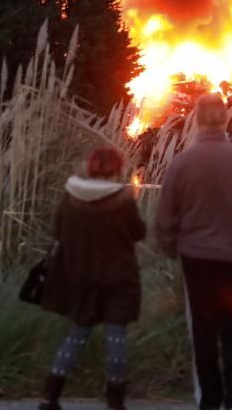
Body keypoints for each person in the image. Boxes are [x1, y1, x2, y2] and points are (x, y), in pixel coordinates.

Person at [155, 93, 232, 410]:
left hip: (196, 263)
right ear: (226, 119)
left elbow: (165, 218)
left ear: (195, 120)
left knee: (203, 332)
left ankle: (209, 401)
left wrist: (172, 247)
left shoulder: (181, 164)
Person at [39, 145, 146, 410]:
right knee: (116, 336)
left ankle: (50, 397)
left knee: (77, 334)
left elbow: (57, 231)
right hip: (118, 277)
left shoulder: (70, 196)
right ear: (117, 168)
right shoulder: (123, 199)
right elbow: (138, 232)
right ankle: (115, 402)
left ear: (90, 166)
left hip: (80, 276)